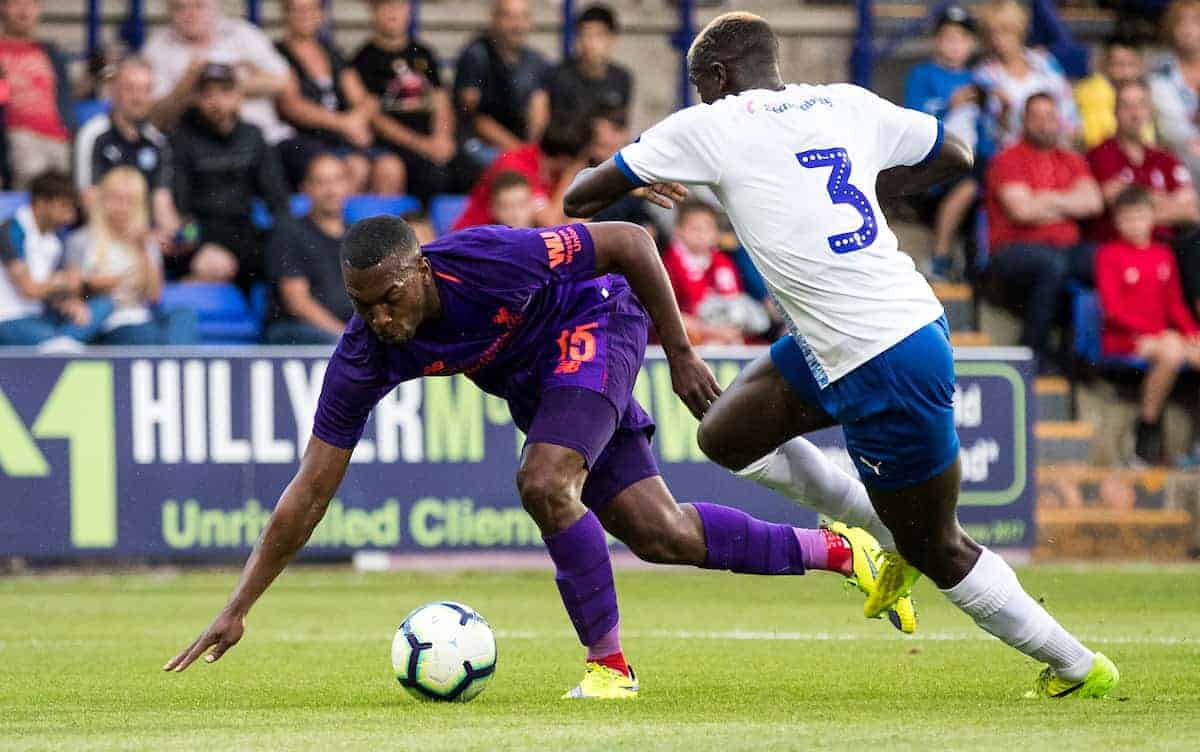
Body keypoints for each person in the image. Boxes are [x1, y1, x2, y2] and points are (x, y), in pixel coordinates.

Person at [563, 11, 1118, 698]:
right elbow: (954, 155)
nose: (701, 96)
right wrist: (874, 194)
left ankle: (1075, 665)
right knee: (725, 434)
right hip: (853, 337)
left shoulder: (709, 124)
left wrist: (636, 180)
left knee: (937, 546)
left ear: (716, 76)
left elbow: (578, 196)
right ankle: (874, 532)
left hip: (882, 354)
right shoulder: (845, 102)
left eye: (700, 85)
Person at [163, 216, 913, 699]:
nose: (377, 318)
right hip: (543, 383)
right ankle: (841, 551)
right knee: (661, 535)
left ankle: (608, 667)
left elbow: (630, 242)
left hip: (597, 317)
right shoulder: (364, 353)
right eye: (362, 305)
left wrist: (680, 352)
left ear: (420, 270)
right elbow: (311, 489)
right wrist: (239, 606)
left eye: (387, 298)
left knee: (545, 480)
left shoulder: (491, 259)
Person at [985, 93, 1103, 373]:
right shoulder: (1007, 159)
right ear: (1024, 121)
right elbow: (1022, 212)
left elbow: (1093, 203)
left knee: (1107, 258)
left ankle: (1089, 354)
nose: (1044, 123)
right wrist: (1068, 202)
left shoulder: (1071, 159)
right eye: (1036, 116)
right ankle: (1032, 350)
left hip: (1066, 248)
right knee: (1052, 264)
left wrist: (1043, 199)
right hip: (1013, 249)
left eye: (1050, 116)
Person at [1095, 186, 1200, 464]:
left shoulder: (1163, 254)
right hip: (1125, 338)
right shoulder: (1109, 255)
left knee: (1190, 350)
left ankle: (1196, 445)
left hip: (1164, 337)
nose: (1135, 224)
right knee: (1171, 352)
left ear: (1152, 218)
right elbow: (1113, 310)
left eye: (1140, 217)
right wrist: (1155, 333)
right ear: (1116, 221)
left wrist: (1191, 331)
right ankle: (1145, 433)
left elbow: (1175, 303)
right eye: (1127, 218)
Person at [275, 0, 404, 194]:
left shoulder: (331, 53)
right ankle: (342, 228)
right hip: (302, 139)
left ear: (321, 13)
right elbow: (291, 105)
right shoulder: (278, 52)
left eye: (311, 7)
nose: (305, 13)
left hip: (339, 138)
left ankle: (380, 228)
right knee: (355, 167)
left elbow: (365, 99)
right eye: (297, 8)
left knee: (391, 167)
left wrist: (357, 120)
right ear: (286, 14)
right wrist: (344, 123)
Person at [170, 64, 291, 290]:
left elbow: (277, 197)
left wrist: (287, 237)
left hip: (243, 229)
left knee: (289, 258)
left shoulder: (252, 135)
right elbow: (180, 207)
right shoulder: (183, 139)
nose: (216, 101)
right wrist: (192, 240)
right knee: (214, 264)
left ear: (238, 96)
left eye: (225, 92)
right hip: (201, 232)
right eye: (207, 94)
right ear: (196, 99)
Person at [144, 0, 292, 144]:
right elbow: (157, 117)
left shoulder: (241, 32)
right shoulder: (157, 48)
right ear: (169, 11)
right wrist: (188, 82)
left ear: (214, 5)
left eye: (198, 5)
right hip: (197, 149)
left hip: (265, 138)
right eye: (180, 7)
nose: (190, 13)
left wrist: (224, 86)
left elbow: (282, 80)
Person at [64, 166, 196, 345]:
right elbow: (72, 293)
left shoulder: (145, 240)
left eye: (130, 201)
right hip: (109, 320)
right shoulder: (81, 240)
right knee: (150, 337)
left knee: (184, 315)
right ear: (103, 199)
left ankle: (174, 361)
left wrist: (144, 250)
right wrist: (94, 284)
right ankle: (169, 361)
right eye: (116, 199)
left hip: (142, 315)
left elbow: (154, 296)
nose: (123, 207)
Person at [351, 0, 455, 202]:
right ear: (373, 10)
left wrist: (442, 137)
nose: (392, 11)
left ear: (409, 8)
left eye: (399, 3)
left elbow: (441, 102)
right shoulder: (363, 59)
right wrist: (422, 145)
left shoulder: (424, 53)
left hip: (431, 141)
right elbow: (374, 117)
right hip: (394, 146)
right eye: (385, 3)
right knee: (430, 177)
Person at [903, 6, 982, 282]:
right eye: (947, 37)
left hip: (975, 157)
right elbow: (913, 119)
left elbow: (984, 126)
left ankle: (977, 266)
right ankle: (940, 255)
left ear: (972, 45)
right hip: (939, 158)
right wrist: (949, 105)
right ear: (937, 41)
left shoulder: (978, 79)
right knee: (969, 185)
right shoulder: (922, 75)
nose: (954, 44)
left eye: (961, 39)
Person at [74, 56, 182, 248]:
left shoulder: (157, 141)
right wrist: (137, 237)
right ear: (113, 91)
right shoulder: (93, 135)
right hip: (101, 238)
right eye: (130, 88)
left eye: (145, 90)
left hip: (144, 241)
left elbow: (161, 201)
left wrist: (173, 234)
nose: (138, 98)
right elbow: (89, 200)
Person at [0, 171, 111, 347]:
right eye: (63, 207)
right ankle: (62, 344)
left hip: (41, 317)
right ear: (41, 203)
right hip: (9, 319)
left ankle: (62, 343)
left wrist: (69, 303)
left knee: (103, 304)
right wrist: (65, 280)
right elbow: (29, 290)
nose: (70, 217)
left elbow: (51, 292)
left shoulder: (56, 239)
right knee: (58, 341)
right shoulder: (10, 231)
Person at [1087, 79, 1198, 243]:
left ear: (1150, 111)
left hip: (1168, 243)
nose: (1135, 113)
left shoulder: (1165, 157)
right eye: (1127, 106)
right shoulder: (1102, 154)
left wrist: (1137, 209)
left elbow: (1191, 210)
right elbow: (1114, 198)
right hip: (1120, 247)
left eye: (1141, 105)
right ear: (1115, 112)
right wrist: (1168, 200)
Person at [264, 155, 355, 345]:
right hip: (297, 331)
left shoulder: (359, 237)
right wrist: (347, 338)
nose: (331, 190)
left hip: (346, 332)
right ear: (305, 189)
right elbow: (297, 303)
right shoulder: (289, 232)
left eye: (337, 180)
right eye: (321, 182)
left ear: (349, 186)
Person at [454, 0, 549, 168]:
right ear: (494, 19)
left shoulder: (536, 62)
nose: (517, 25)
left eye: (523, 16)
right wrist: (521, 152)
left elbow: (540, 112)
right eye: (509, 16)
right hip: (480, 145)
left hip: (521, 147)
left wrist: (532, 151)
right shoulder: (475, 57)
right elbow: (476, 120)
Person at [973, 0, 1081, 153]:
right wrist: (1005, 112)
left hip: (1058, 146)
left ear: (1018, 30)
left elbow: (1068, 108)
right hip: (1015, 152)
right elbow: (993, 131)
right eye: (991, 33)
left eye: (1005, 31)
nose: (997, 39)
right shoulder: (984, 75)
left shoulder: (1045, 62)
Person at [452, 114, 590, 231]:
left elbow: (576, 223)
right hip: (474, 245)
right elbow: (552, 224)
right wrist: (570, 176)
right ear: (565, 159)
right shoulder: (515, 165)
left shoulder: (554, 170)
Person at [0, 0, 73, 189]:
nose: (24, 9)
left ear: (39, 8)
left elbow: (67, 98)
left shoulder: (51, 52)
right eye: (16, 1)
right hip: (19, 141)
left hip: (60, 140)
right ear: (3, 6)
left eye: (31, 2)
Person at [661, 201, 764, 345]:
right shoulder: (668, 264)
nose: (702, 235)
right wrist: (708, 331)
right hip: (688, 337)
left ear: (716, 233)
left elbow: (735, 300)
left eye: (707, 229)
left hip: (726, 334)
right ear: (679, 231)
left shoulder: (724, 262)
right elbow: (665, 315)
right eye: (695, 229)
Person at [545, 4, 633, 120]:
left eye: (598, 35)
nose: (590, 43)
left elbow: (621, 127)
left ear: (612, 38)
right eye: (584, 34)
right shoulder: (559, 76)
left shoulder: (621, 78)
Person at [1149, 0, 1200, 185]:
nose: (1188, 30)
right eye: (1181, 23)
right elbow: (1172, 130)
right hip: (1180, 156)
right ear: (1171, 29)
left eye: (1196, 22)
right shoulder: (1159, 75)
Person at [1074, 37, 1148, 151]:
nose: (1125, 72)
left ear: (1140, 67)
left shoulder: (1145, 94)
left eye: (1131, 64)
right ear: (1104, 66)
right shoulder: (1089, 93)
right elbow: (1093, 141)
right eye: (1118, 64)